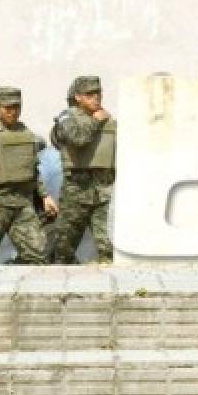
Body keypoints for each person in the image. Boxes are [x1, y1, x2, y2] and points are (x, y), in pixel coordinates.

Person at [0, 88, 56, 265]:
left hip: (23, 205)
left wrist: (45, 195)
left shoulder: (25, 132)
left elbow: (33, 168)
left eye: (16, 107)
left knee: (38, 255)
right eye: (7, 107)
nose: (12, 111)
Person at [51, 76, 115, 264]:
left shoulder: (108, 119)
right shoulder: (66, 117)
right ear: (78, 97)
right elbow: (78, 139)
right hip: (76, 194)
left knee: (108, 248)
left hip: (102, 193)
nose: (96, 98)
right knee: (64, 248)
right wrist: (96, 121)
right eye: (90, 94)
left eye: (98, 94)